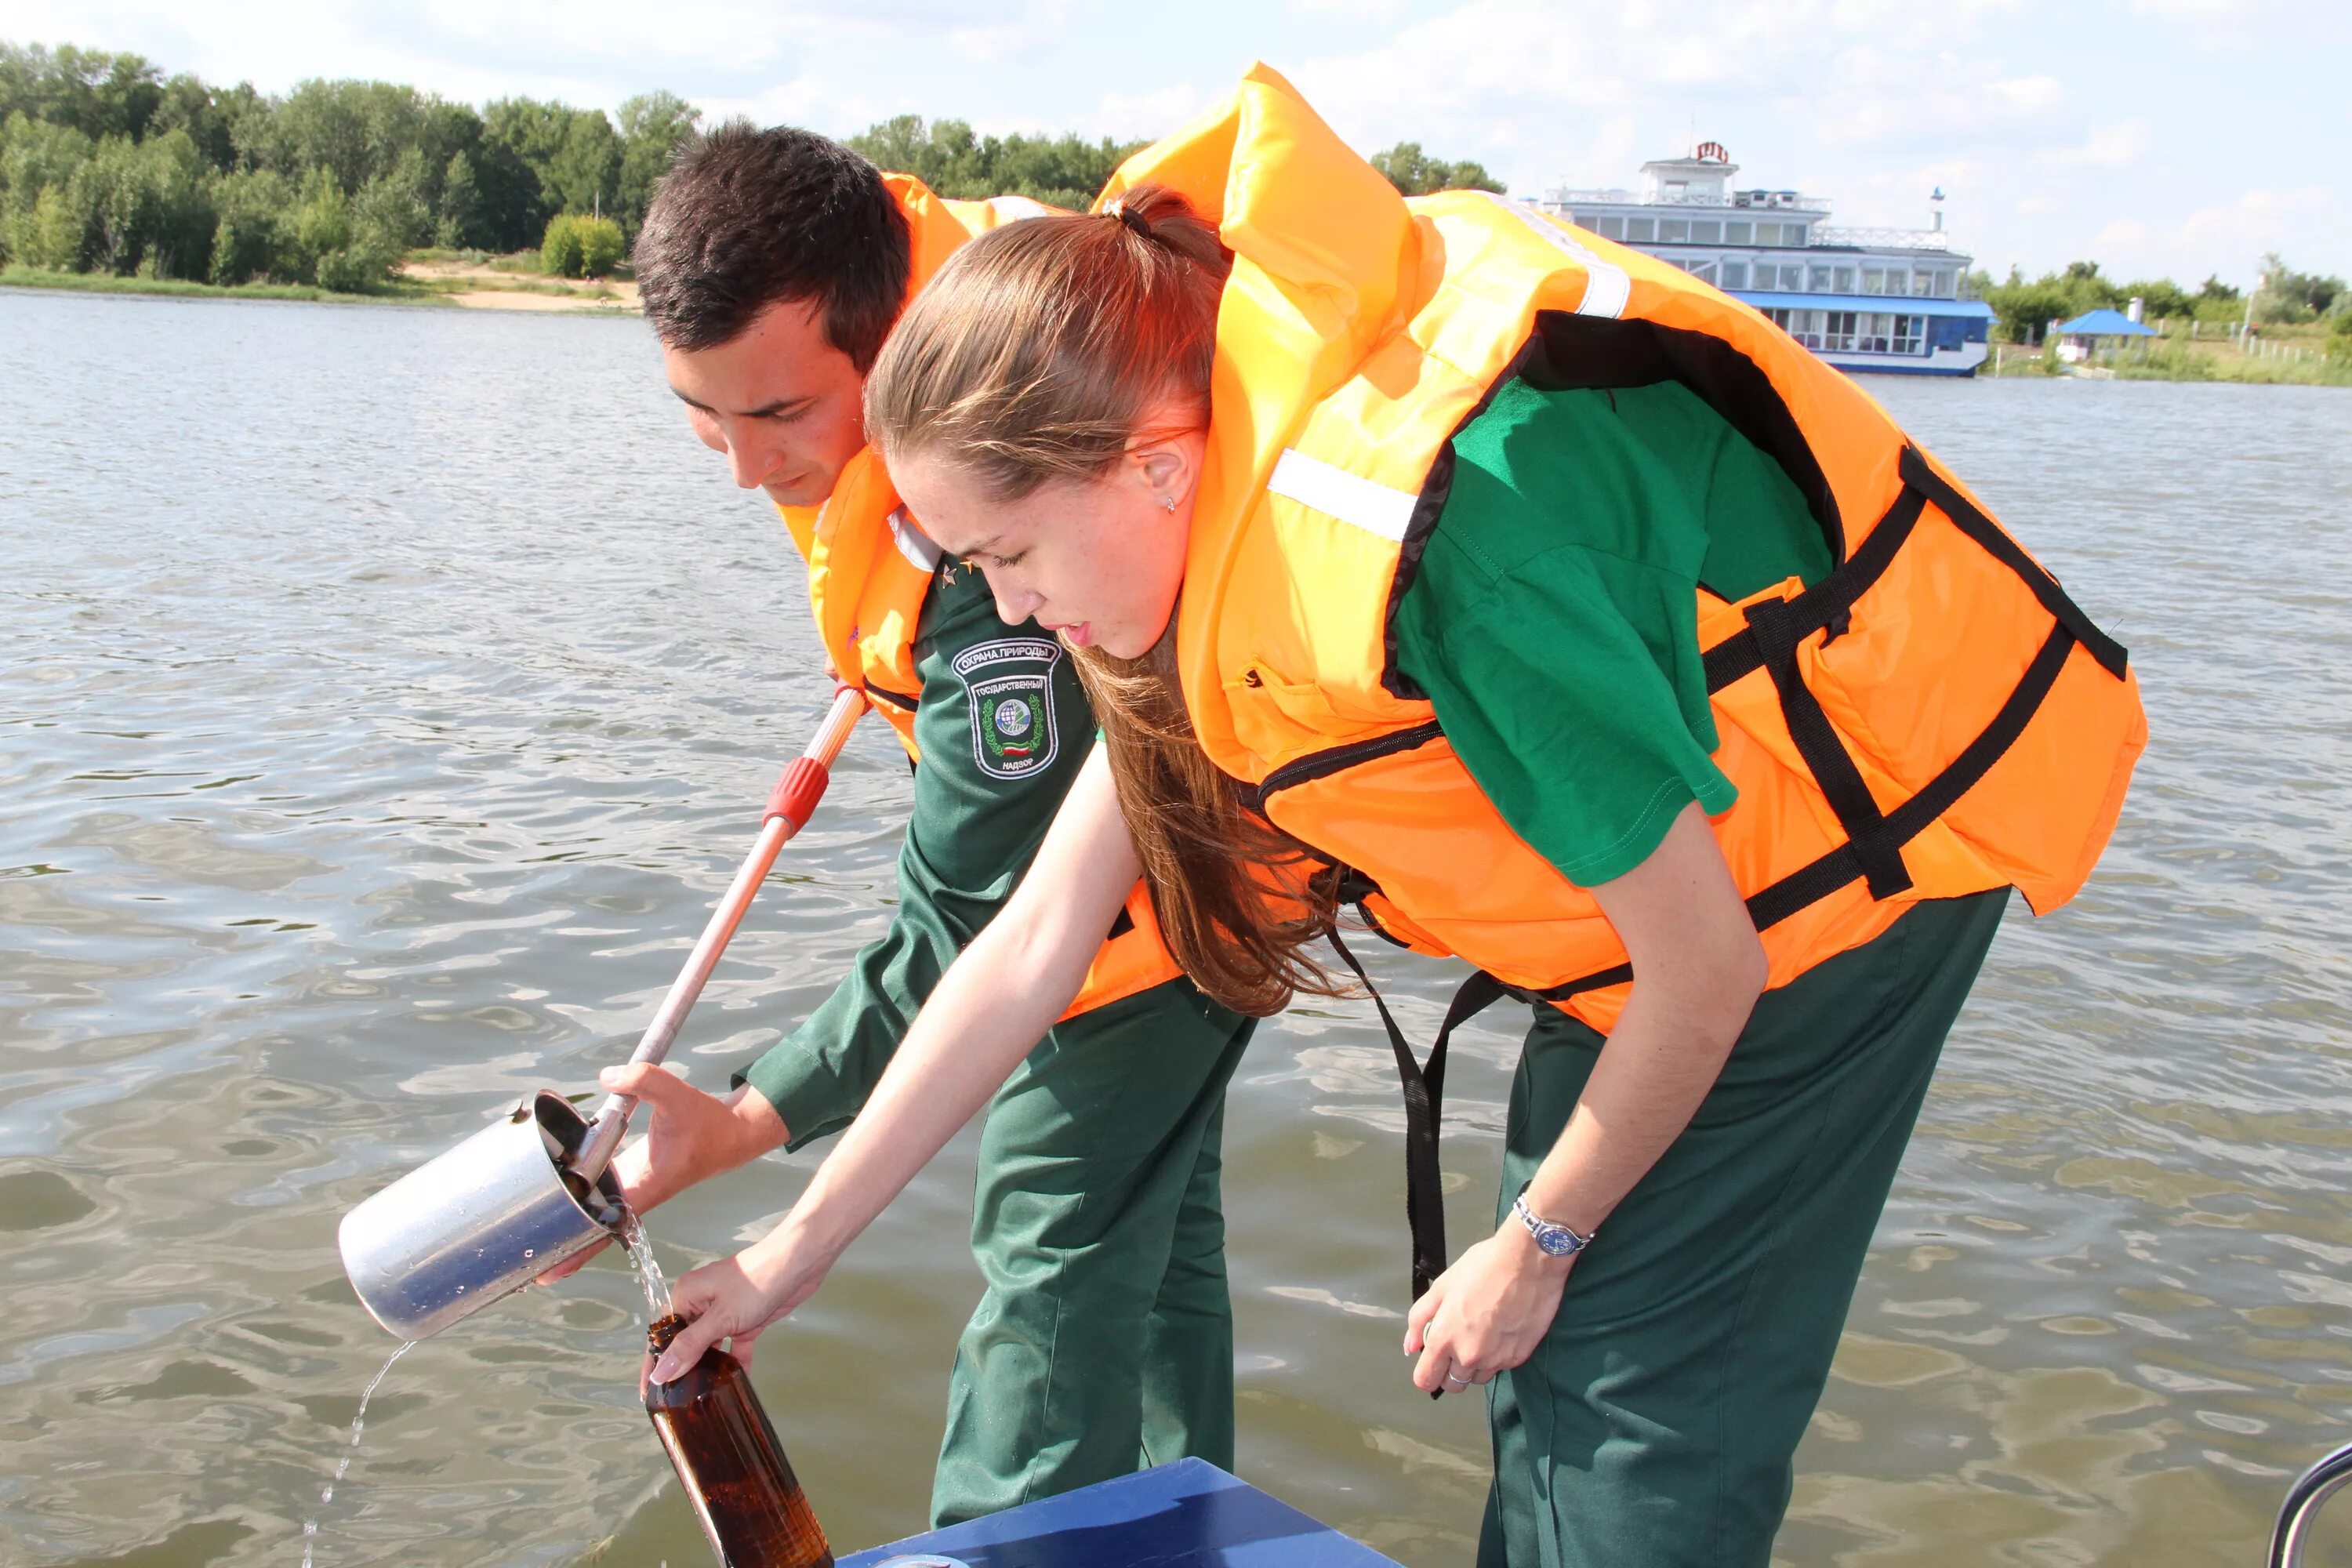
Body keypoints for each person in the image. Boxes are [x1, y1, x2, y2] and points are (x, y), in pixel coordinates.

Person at [645, 71, 2146, 1566]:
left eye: (1015, 557)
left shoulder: (1456, 568)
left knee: (1621, 1415)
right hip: (1645, 919)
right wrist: (787, 1254)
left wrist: (1539, 1245)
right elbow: (1036, 940)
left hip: (1816, 921)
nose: (1016, 610)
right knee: (1552, 1376)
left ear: (1159, 463)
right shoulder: (1171, 550)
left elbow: (1708, 975)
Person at [561, 122, 1256, 1527]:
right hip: (1157, 855)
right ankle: (1196, 1531)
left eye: (780, 417)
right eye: (705, 411)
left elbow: (977, 924)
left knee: (1051, 1282)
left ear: (893, 357)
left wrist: (750, 1122)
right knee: (1156, 1243)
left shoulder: (977, 541)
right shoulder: (852, 353)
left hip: (1138, 918)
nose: (745, 467)